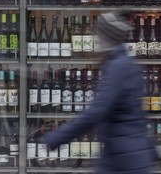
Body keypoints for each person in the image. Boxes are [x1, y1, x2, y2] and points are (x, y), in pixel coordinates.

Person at [44, 11, 153, 174]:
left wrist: (57, 137)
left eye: (98, 36)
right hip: (124, 152)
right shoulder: (125, 63)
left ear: (106, 38)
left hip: (124, 157)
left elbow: (97, 111)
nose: (96, 40)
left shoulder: (118, 67)